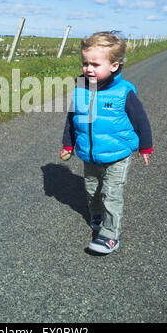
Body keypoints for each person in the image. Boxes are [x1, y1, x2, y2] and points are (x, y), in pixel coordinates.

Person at [60, 31, 153, 254]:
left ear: (114, 66)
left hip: (118, 155)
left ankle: (110, 236)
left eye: (95, 64)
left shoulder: (124, 93)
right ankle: (97, 215)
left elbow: (141, 121)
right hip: (90, 154)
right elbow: (72, 120)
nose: (88, 69)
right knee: (92, 190)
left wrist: (145, 146)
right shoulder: (81, 89)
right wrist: (68, 144)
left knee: (111, 194)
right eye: (85, 63)